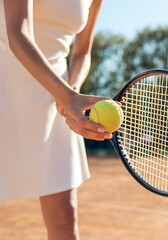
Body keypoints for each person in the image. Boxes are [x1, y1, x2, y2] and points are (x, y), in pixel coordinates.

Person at [0, 0, 110, 239]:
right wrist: (68, 96)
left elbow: (82, 52)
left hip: (56, 94)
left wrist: (73, 87)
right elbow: (17, 33)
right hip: (5, 82)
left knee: (64, 216)